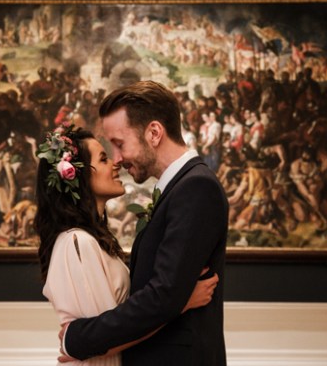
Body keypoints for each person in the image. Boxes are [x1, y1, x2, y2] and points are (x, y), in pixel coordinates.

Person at [60, 81, 229, 365]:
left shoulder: (196, 187)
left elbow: (162, 296)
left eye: (119, 144)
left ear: (153, 133)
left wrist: (77, 338)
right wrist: (180, 298)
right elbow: (165, 293)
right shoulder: (179, 187)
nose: (116, 159)